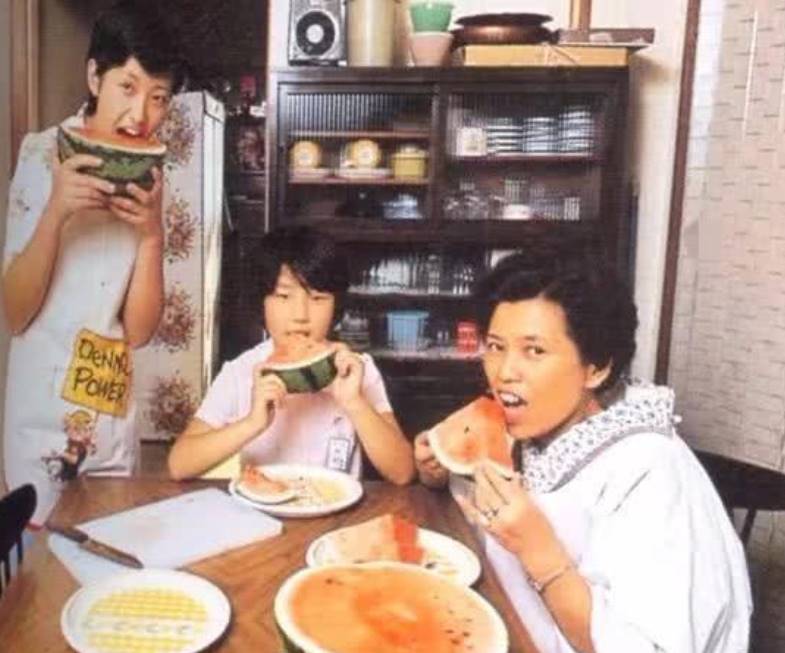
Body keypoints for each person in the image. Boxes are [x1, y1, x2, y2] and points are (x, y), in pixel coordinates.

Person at [414, 249, 752, 653]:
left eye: (534, 351)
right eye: (496, 346)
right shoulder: (540, 427)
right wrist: (438, 471)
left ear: (597, 368)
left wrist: (539, 550)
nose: (504, 372)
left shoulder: (652, 471)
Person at [1, 1, 186, 526]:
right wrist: (56, 211)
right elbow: (14, 312)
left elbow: (139, 332)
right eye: (127, 87)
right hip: (40, 416)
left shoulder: (150, 175)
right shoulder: (39, 155)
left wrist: (151, 236)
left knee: (105, 552)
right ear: (94, 77)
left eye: (158, 97)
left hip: (109, 415)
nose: (140, 115)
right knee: (40, 562)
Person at [168, 226, 415, 485]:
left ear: (336, 305)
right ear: (262, 302)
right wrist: (252, 423)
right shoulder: (240, 372)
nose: (300, 315)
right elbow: (179, 465)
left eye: (317, 298)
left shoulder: (357, 370)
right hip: (263, 505)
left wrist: (354, 402)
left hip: (336, 506)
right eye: (284, 296)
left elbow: (403, 472)